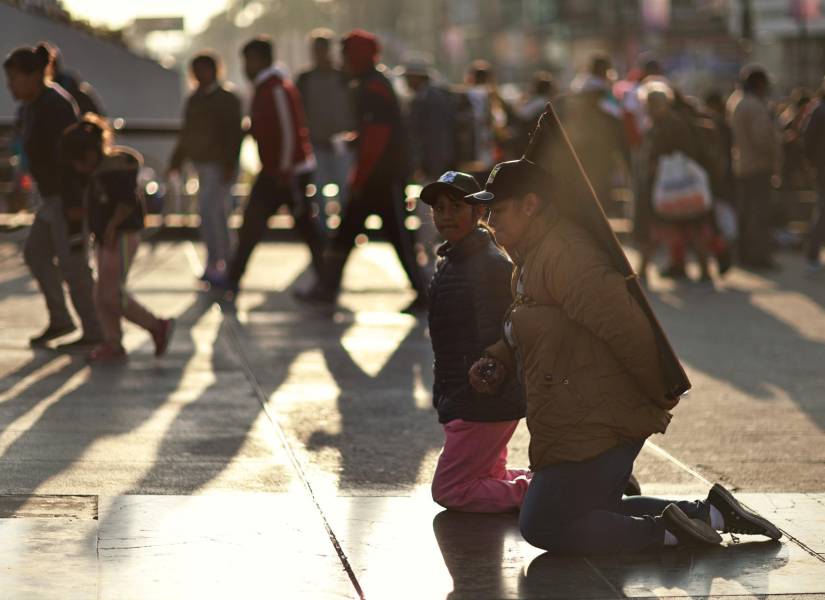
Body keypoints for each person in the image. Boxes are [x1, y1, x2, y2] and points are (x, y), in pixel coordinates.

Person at [465, 158, 782, 554]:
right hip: (578, 412)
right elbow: (528, 325)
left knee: (542, 524)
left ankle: (671, 535)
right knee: (596, 508)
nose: (490, 220)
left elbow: (624, 326)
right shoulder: (531, 257)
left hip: (599, 418)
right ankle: (713, 515)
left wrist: (659, 390)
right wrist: (499, 358)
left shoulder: (565, 254)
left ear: (530, 205)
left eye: (498, 210)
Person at [421, 171, 529, 513]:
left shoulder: (486, 264)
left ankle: (553, 491)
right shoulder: (454, 259)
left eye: (456, 206)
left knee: (451, 489)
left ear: (478, 212)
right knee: (487, 476)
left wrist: (479, 386)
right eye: (439, 208)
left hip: (481, 400)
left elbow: (499, 337)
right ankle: (562, 482)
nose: (446, 215)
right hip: (467, 397)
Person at [296, 30, 427, 311]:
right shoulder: (369, 84)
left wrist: (359, 175)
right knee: (347, 234)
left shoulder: (373, 87)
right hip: (375, 177)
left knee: (399, 237)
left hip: (383, 178)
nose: (341, 59)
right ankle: (327, 287)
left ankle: (423, 292)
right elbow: (373, 133)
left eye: (346, 54)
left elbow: (378, 138)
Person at [4, 42, 103, 350]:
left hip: (66, 198)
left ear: (34, 76)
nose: (10, 87)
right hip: (50, 198)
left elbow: (71, 160)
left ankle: (95, 330)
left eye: (14, 79)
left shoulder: (55, 106)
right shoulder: (32, 107)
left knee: (74, 265)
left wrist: (75, 205)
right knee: (36, 253)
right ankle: (61, 319)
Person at [60, 116, 174, 362]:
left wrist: (111, 227)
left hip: (121, 236)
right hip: (106, 237)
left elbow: (125, 203)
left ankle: (155, 325)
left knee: (111, 294)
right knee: (102, 294)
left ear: (89, 155)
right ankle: (113, 341)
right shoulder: (99, 173)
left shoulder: (115, 170)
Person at [222, 36, 325, 297]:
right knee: (256, 226)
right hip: (278, 171)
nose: (245, 67)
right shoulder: (267, 87)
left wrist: (283, 171)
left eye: (248, 61)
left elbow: (290, 131)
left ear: (260, 60)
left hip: (286, 173)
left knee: (304, 229)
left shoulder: (275, 88)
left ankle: (326, 281)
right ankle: (233, 278)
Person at [169, 52, 243, 286]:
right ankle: (221, 261)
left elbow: (234, 135)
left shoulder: (228, 99)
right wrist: (176, 161)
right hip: (201, 164)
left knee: (213, 213)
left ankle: (222, 262)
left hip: (220, 166)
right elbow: (187, 133)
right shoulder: (195, 100)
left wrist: (230, 164)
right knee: (212, 214)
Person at [638, 83, 714, 283]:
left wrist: (661, 165)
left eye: (653, 103)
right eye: (648, 103)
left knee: (660, 229)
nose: (650, 108)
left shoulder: (670, 123)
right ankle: (646, 271)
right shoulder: (660, 123)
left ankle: (644, 272)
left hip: (672, 185)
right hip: (670, 186)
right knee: (677, 228)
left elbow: (685, 152)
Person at [296, 29, 355, 232]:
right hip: (316, 143)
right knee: (318, 191)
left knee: (344, 189)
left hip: (342, 144)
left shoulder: (344, 77)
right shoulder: (305, 79)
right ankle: (323, 232)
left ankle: (345, 231)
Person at [728, 65, 781, 270]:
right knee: (759, 214)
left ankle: (744, 255)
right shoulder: (755, 106)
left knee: (746, 212)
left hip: (742, 164)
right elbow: (762, 139)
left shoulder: (736, 101)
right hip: (758, 165)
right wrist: (774, 155)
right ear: (760, 84)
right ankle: (758, 256)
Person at [402, 57, 455, 183]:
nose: (406, 80)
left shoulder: (430, 99)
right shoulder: (425, 96)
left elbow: (436, 135)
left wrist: (427, 165)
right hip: (434, 163)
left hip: (434, 165)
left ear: (417, 77)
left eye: (408, 76)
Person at [804, 78, 825, 275]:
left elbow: (807, 142)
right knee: (822, 211)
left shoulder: (817, 110)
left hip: (821, 167)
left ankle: (812, 253)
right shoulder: (820, 111)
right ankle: (812, 254)